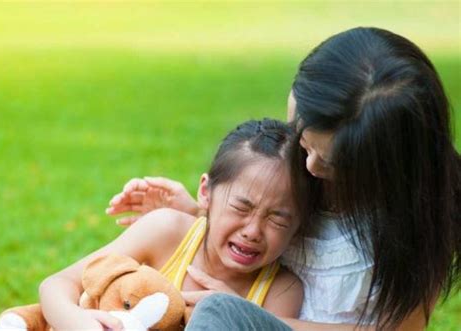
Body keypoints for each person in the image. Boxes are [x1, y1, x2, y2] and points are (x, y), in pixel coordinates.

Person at [106, 27, 461, 330]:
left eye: (333, 162)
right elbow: (262, 231)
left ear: (386, 166)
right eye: (304, 142)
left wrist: (249, 316)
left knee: (217, 312)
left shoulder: (427, 216)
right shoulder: (294, 175)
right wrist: (201, 216)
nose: (310, 167)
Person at [39, 119, 305, 330]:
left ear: (299, 226)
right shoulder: (168, 232)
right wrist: (80, 323)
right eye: (241, 207)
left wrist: (234, 311)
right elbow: (58, 283)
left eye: (277, 219)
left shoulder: (281, 289)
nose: (252, 231)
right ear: (206, 192)